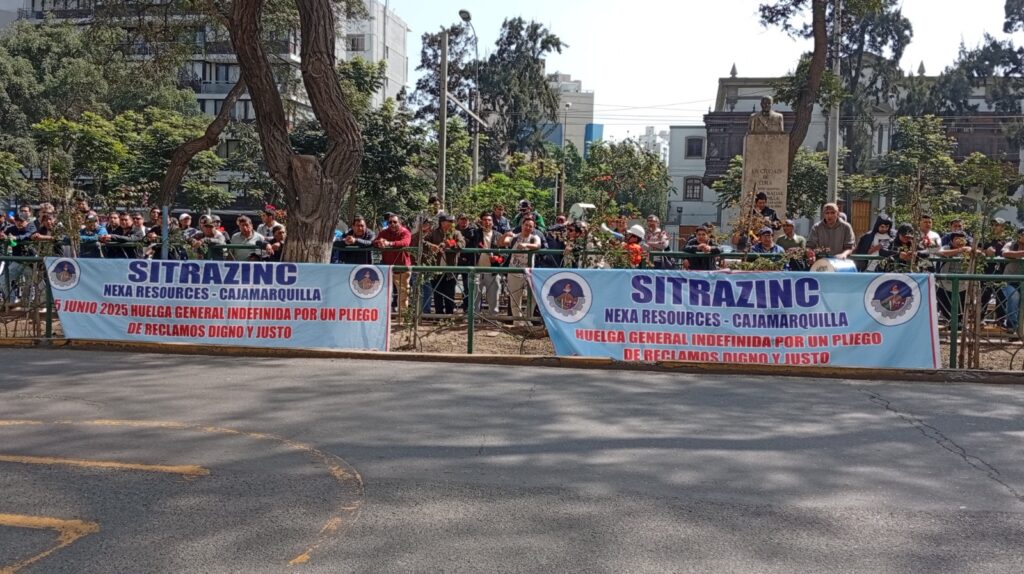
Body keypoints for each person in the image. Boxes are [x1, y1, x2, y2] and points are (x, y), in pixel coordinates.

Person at [500, 217, 541, 326]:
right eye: (526, 225)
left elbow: (538, 245)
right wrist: (505, 235)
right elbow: (502, 243)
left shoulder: (534, 237)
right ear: (522, 225)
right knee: (515, 298)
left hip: (529, 273)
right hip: (514, 271)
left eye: (530, 226)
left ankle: (528, 319)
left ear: (533, 228)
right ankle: (517, 321)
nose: (528, 227)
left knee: (533, 297)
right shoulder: (514, 237)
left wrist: (526, 245)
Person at [423, 213, 465, 315]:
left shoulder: (456, 233)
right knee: (437, 293)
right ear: (442, 223)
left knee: (450, 293)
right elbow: (423, 242)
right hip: (436, 268)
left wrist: (449, 244)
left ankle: (449, 316)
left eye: (452, 221)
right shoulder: (433, 232)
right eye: (449, 221)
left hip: (450, 269)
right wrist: (432, 246)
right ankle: (439, 316)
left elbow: (462, 244)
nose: (451, 223)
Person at [373, 213, 412, 314]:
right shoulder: (384, 232)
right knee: (383, 294)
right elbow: (374, 241)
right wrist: (379, 243)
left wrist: (389, 243)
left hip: (402, 268)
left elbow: (405, 243)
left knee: (403, 296)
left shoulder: (405, 232)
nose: (392, 224)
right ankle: (383, 317)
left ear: (400, 223)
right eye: (390, 222)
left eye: (395, 222)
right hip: (387, 269)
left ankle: (403, 318)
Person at [465, 211, 501, 315]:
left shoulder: (498, 235)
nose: (487, 222)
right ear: (481, 221)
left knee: (494, 297)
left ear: (493, 222)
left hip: (493, 271)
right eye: (484, 220)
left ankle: (493, 318)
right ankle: (474, 318)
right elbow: (467, 241)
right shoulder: (475, 233)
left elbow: (505, 253)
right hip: (476, 270)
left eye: (489, 220)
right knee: (474, 297)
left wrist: (497, 259)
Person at [0, 213, 38, 302]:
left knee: (34, 284)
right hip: (17, 262)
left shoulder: (31, 227)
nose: (19, 223)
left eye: (21, 221)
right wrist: (2, 236)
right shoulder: (12, 229)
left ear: (27, 221)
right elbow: (3, 233)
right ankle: (11, 301)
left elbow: (27, 235)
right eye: (17, 221)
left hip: (30, 262)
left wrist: (15, 238)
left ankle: (31, 303)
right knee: (3, 280)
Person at [1001, 229, 1024, 334]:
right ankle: (1011, 325)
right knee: (1014, 296)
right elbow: (1005, 253)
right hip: (1009, 281)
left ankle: (1020, 328)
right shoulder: (1011, 244)